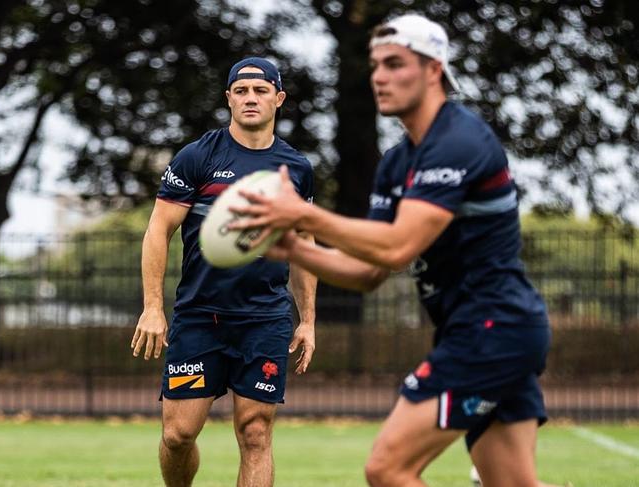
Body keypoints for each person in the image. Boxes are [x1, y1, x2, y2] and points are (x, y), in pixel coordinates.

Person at [230, 14, 565, 487]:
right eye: (375, 66)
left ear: (433, 70)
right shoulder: (397, 163)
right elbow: (368, 272)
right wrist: (290, 249)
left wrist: (302, 216)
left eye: (394, 64)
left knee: (388, 469)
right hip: (482, 332)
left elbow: (397, 245)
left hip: (494, 332)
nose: (380, 77)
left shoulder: (458, 141)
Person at [130, 57, 317, 487]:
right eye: (241, 91)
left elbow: (304, 246)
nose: (251, 98)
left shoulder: (296, 170)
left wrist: (307, 320)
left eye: (261, 90)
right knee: (178, 435)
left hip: (264, 319)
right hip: (200, 317)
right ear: (229, 98)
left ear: (278, 98)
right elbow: (158, 229)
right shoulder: (198, 157)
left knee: (255, 433)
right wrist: (153, 308)